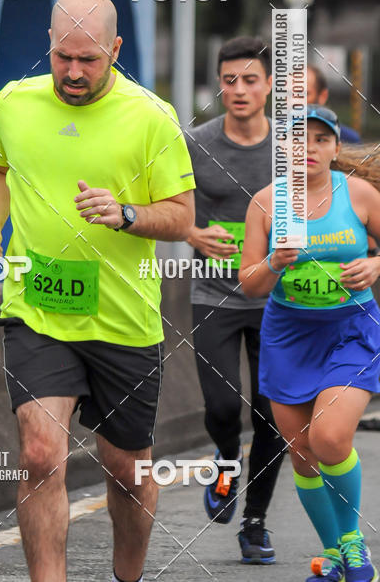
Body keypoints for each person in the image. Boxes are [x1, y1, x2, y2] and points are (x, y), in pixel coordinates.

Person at [0, 0, 196, 582]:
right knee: (40, 455)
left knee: (128, 472)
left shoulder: (151, 116)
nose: (73, 72)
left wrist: (126, 213)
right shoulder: (15, 102)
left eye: (88, 59)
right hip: (37, 309)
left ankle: (127, 576)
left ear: (115, 49)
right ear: (49, 43)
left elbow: (181, 217)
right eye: (63, 56)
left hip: (123, 320)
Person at [239, 104, 380, 582]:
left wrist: (376, 264)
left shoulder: (358, 194)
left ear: (335, 148)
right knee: (301, 452)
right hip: (288, 336)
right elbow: (250, 284)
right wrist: (274, 263)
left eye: (321, 139)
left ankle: (353, 541)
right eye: (299, 138)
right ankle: (334, 553)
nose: (309, 148)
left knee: (330, 438)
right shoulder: (264, 203)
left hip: (350, 330)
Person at [185, 36, 285, 564]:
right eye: (229, 81)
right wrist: (193, 234)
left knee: (272, 413)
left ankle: (255, 522)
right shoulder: (195, 144)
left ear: (268, 86)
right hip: (215, 296)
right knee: (223, 407)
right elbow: (164, 201)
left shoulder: (289, 149)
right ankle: (227, 460)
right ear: (219, 86)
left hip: (279, 302)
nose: (239, 89)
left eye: (250, 80)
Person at [307, 65, 361, 143]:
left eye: (303, 94)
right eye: (289, 94)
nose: (294, 101)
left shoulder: (347, 139)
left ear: (322, 96)